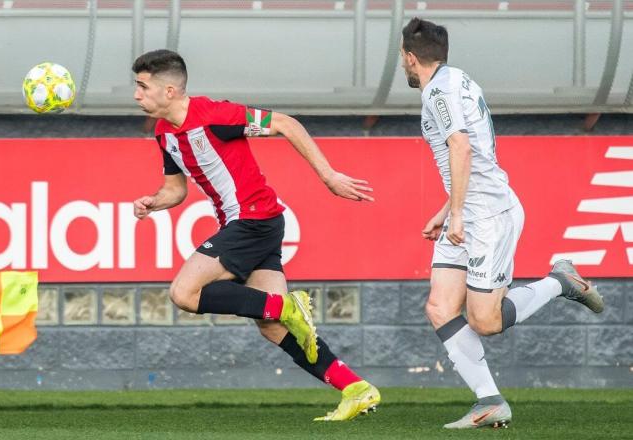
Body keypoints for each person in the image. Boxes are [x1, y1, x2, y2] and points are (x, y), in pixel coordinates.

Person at [131, 49, 380, 421]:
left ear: (169, 90)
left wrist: (328, 176)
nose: (136, 94)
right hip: (253, 225)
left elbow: (286, 124)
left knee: (184, 292)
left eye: (142, 86)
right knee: (271, 326)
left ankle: (288, 306)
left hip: (253, 220)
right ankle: (355, 388)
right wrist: (154, 202)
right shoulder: (165, 133)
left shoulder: (215, 115)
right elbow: (175, 189)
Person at [400, 18, 604, 429]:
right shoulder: (456, 81)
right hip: (468, 210)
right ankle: (489, 401)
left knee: (485, 321)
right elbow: (471, 153)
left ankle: (559, 282)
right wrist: (447, 211)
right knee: (440, 307)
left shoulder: (438, 90)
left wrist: (456, 214)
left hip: (487, 217)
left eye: (402, 59)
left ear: (409, 57)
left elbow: (460, 146)